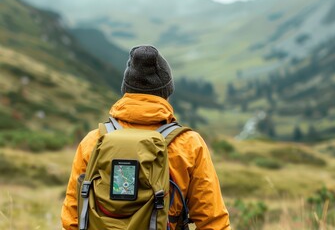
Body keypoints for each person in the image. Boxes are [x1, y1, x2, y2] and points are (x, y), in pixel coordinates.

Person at [61, 45, 231, 230]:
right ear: (166, 92)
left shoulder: (93, 141)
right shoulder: (189, 144)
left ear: (126, 90)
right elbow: (213, 221)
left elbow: (73, 217)